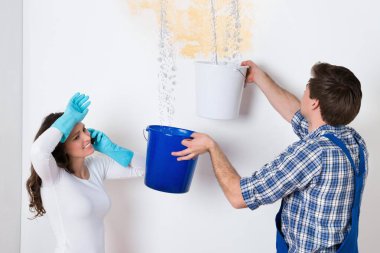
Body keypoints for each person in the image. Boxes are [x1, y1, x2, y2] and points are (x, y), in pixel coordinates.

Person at [172, 61, 368, 252]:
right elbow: (298, 116)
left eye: (308, 86)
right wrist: (259, 76)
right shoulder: (353, 142)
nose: (304, 90)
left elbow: (238, 196)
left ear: (315, 103)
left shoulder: (311, 154)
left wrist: (211, 147)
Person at [26, 92, 145, 253]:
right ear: (60, 146)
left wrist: (114, 150)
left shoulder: (96, 166)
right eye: (76, 137)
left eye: (84, 130)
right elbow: (39, 151)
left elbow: (145, 169)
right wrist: (68, 118)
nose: (87, 137)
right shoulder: (53, 176)